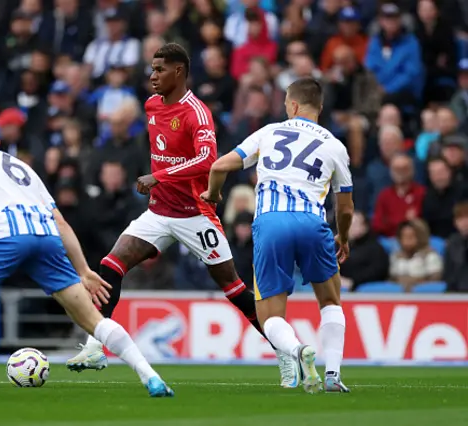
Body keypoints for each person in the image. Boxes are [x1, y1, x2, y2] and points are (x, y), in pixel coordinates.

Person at [66, 43, 299, 388]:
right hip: (158, 213)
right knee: (110, 266)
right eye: (152, 69)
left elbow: (207, 161)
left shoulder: (197, 113)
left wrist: (157, 176)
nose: (153, 76)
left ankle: (284, 353)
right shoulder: (150, 106)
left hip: (196, 214)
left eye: (160, 69)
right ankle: (95, 346)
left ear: (179, 72)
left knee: (233, 289)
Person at [0, 119, 174, 398]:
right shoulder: (23, 168)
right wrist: (84, 270)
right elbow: (60, 222)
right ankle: (152, 377)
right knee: (92, 320)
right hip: (47, 240)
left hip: (8, 237)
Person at [202, 78, 354, 393]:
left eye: (286, 102)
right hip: (313, 222)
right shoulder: (335, 145)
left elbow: (219, 166)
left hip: (271, 222)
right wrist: (344, 236)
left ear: (294, 105)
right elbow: (346, 206)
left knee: (269, 315)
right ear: (320, 107)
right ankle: (333, 376)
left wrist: (213, 195)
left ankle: (299, 351)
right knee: (330, 299)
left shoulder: (269, 132)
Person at [390, 219, 443, 292]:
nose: (407, 241)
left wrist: (415, 283)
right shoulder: (396, 256)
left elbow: (435, 280)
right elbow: (392, 279)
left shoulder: (430, 255)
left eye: (411, 236)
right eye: (404, 237)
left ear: (420, 237)